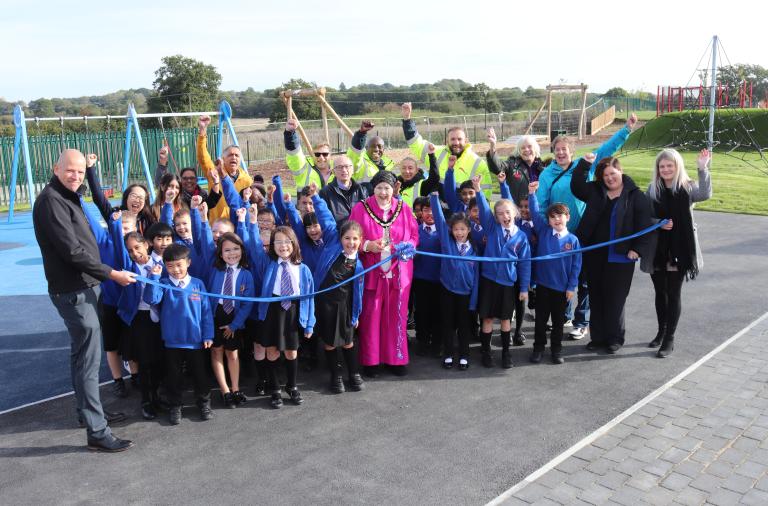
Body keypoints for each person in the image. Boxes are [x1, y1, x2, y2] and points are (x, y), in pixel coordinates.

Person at [32, 149, 136, 452]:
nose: (76, 176)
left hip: (86, 286)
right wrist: (112, 274)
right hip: (74, 290)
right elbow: (72, 252)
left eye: (80, 172)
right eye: (70, 171)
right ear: (56, 168)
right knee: (89, 361)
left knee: (82, 356)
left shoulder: (69, 195)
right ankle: (97, 431)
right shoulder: (51, 201)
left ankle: (89, 413)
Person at [536, 113, 638, 340]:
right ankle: (564, 315)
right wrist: (548, 231)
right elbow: (542, 205)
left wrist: (626, 130)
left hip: (585, 234)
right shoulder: (546, 175)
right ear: (553, 152)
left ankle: (581, 321)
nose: (561, 153)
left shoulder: (585, 166)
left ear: (572, 151)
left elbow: (605, 151)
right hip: (559, 236)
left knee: (584, 278)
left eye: (565, 149)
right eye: (557, 149)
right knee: (562, 277)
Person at [571, 153, 652, 354]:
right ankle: (598, 338)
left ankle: (615, 338)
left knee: (615, 298)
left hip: (621, 256)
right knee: (596, 296)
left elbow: (644, 224)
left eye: (613, 174)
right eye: (605, 175)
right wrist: (584, 164)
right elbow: (577, 187)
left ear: (621, 172)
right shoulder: (596, 190)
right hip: (594, 253)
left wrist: (637, 249)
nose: (609, 178)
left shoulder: (635, 196)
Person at [642, 148, 712, 358]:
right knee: (660, 293)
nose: (665, 169)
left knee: (673, 294)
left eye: (669, 165)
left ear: (677, 166)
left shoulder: (688, 187)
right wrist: (658, 223)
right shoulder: (652, 189)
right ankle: (661, 331)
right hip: (657, 250)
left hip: (680, 249)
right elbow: (644, 216)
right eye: (662, 166)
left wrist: (702, 168)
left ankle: (669, 339)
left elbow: (705, 194)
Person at [349, 170, 419, 377]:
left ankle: (396, 359)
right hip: (372, 273)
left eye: (387, 188)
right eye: (379, 188)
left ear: (394, 188)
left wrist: (408, 247)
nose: (383, 192)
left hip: (399, 274)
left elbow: (414, 236)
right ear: (373, 188)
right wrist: (367, 245)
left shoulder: (404, 209)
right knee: (371, 316)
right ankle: (371, 361)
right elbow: (350, 237)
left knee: (396, 316)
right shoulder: (361, 209)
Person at [144, 244, 214, 425]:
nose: (175, 270)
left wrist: (208, 335)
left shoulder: (198, 284)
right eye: (170, 266)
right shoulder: (163, 284)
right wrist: (154, 276)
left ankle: (204, 403)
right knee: (173, 378)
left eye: (179, 265)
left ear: (188, 263)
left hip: (196, 341)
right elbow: (151, 299)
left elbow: (206, 312)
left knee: (200, 375)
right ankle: (175, 406)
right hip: (172, 342)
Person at [247, 226, 315, 408]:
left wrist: (310, 324)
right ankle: (275, 389)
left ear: (294, 243)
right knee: (272, 351)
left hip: (292, 312)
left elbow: (309, 298)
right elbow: (254, 247)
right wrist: (252, 223)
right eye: (278, 242)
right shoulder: (267, 264)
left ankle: (292, 386)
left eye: (287, 241)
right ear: (271, 246)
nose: (283, 246)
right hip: (271, 311)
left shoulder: (303, 269)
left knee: (291, 351)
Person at [472, 176, 531, 369]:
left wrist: (523, 288)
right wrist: (478, 190)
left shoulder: (521, 237)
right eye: (500, 214)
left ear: (514, 213)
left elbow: (524, 264)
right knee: (487, 318)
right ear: (495, 217)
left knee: (506, 319)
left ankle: (506, 353)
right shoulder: (492, 228)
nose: (504, 216)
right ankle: (486, 352)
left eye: (507, 212)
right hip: (489, 281)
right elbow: (483, 208)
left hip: (507, 283)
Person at [526, 183, 582, 364]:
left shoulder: (573, 240)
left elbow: (576, 265)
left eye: (560, 216)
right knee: (540, 321)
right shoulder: (544, 232)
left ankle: (556, 350)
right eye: (553, 217)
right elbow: (534, 213)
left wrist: (571, 286)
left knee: (559, 322)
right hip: (543, 286)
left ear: (568, 217)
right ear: (548, 220)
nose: (557, 220)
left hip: (562, 289)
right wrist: (532, 194)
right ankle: (538, 348)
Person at [313, 220, 366, 393]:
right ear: (340, 239)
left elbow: (358, 293)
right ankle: (335, 375)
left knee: (348, 342)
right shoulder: (332, 251)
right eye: (347, 238)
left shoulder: (359, 265)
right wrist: (315, 197)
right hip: (326, 306)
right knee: (329, 342)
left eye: (355, 239)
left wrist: (356, 314)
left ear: (360, 240)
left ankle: (353, 373)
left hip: (346, 308)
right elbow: (327, 219)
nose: (351, 242)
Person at [401, 102, 494, 198]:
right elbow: (415, 143)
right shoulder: (436, 152)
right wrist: (407, 120)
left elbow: (486, 191)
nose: (456, 143)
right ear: (447, 141)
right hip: (438, 209)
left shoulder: (478, 162)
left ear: (466, 141)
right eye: (452, 139)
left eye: (459, 139)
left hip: (462, 210)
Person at [430, 192, 478, 370]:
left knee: (464, 326)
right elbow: (439, 220)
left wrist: (473, 300)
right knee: (448, 324)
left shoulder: (475, 250)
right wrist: (434, 199)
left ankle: (464, 355)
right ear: (451, 230)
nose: (459, 233)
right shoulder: (447, 243)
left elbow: (477, 279)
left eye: (462, 229)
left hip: (465, 293)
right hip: (447, 290)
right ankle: (448, 354)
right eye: (456, 229)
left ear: (469, 230)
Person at [197, 115, 253, 222]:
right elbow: (202, 156)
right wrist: (203, 130)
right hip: (216, 227)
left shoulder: (247, 180)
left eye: (237, 155)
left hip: (236, 227)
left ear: (240, 159)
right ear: (223, 159)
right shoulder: (214, 173)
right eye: (230, 155)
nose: (234, 157)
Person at [487, 130, 544, 206]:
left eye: (529, 146)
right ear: (519, 151)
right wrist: (493, 145)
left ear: (535, 148)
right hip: (517, 211)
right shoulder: (512, 164)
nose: (526, 150)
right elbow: (497, 167)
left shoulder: (544, 167)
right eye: (523, 148)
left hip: (539, 211)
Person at [318, 155, 369, 226]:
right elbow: (324, 220)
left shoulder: (362, 190)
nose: (344, 170)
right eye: (339, 167)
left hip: (359, 235)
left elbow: (368, 216)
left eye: (347, 166)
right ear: (333, 172)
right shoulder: (325, 192)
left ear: (353, 169)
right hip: (338, 235)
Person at [284, 118, 334, 189]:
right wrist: (290, 134)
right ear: (313, 155)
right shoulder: (304, 168)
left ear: (330, 155)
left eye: (325, 154)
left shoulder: (338, 169)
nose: (321, 157)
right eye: (317, 154)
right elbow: (295, 155)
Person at [348, 120, 396, 189]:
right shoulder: (361, 163)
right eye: (373, 146)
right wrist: (361, 133)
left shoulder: (388, 166)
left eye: (380, 146)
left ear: (383, 149)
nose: (376, 149)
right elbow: (355, 153)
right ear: (366, 148)